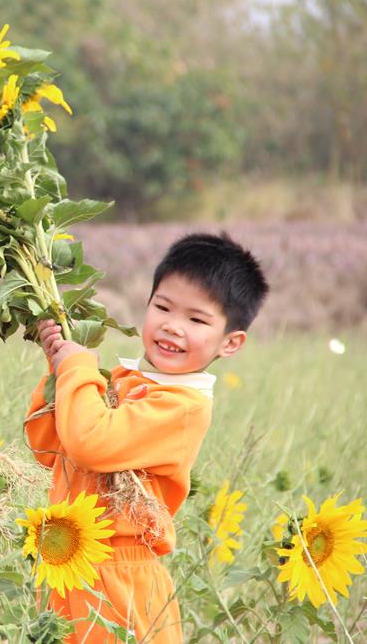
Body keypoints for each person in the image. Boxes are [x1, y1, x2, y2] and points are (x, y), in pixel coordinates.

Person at [25, 233, 269, 643]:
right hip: (68, 563)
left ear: (230, 342)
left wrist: (78, 371)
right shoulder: (124, 379)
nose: (173, 326)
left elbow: (91, 444)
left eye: (196, 320)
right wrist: (59, 372)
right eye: (163, 307)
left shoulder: (182, 406)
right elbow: (49, 448)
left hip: (121, 579)